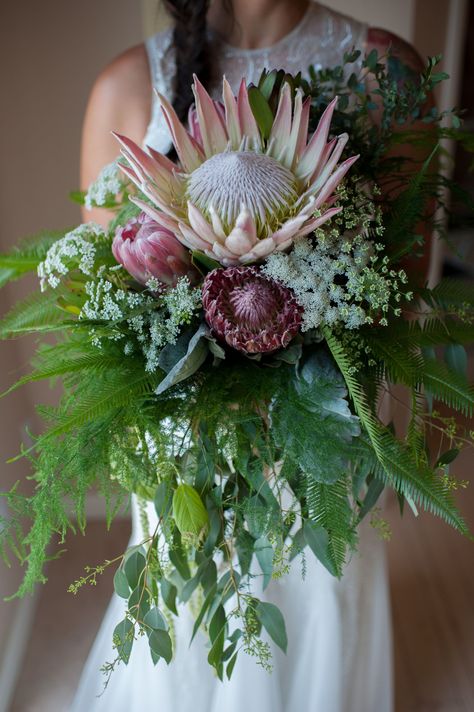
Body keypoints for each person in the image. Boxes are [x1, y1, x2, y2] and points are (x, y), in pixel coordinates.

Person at [72, 2, 428, 710]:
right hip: (185, 439)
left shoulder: (389, 69)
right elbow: (102, 286)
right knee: (188, 611)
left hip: (320, 433)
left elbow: (402, 286)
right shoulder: (126, 84)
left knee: (316, 599)